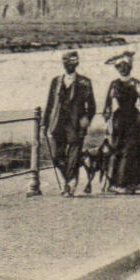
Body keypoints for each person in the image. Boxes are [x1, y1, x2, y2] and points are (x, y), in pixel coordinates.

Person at [42, 50, 96, 197]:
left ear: (76, 63)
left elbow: (91, 106)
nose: (68, 65)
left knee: (73, 154)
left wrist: (86, 119)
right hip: (57, 123)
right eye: (65, 62)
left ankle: (70, 185)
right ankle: (72, 175)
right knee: (56, 155)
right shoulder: (56, 81)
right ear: (63, 64)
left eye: (71, 62)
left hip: (76, 125)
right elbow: (49, 104)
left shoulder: (84, 82)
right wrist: (44, 123)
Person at [102, 52, 140, 193]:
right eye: (119, 67)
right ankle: (117, 184)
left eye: (125, 66)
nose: (122, 69)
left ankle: (129, 184)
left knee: (131, 150)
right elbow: (107, 105)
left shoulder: (137, 83)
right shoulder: (114, 84)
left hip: (133, 119)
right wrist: (107, 120)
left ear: (130, 67)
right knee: (117, 149)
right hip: (119, 120)